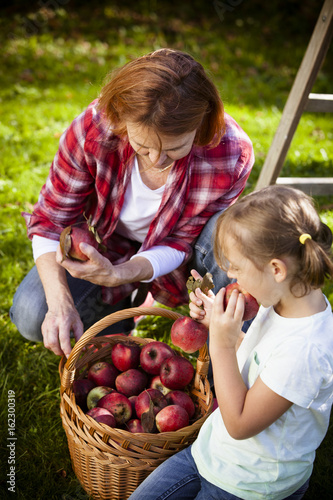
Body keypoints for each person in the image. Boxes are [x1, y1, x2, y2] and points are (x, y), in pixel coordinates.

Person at [10, 48, 254, 359]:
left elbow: (182, 242)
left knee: (229, 231)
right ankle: (122, 308)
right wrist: (61, 303)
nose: (157, 160)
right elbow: (50, 221)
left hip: (185, 259)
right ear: (121, 121)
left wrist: (123, 274)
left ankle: (226, 354)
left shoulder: (230, 153)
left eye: (175, 148)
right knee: (33, 315)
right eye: (143, 146)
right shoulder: (93, 130)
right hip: (104, 247)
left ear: (202, 123)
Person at [128, 185, 333, 500]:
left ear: (276, 269)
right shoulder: (279, 302)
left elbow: (239, 423)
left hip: (250, 484)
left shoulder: (305, 352)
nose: (233, 280)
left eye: (237, 270)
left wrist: (220, 344)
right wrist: (221, 326)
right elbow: (257, 358)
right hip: (211, 453)